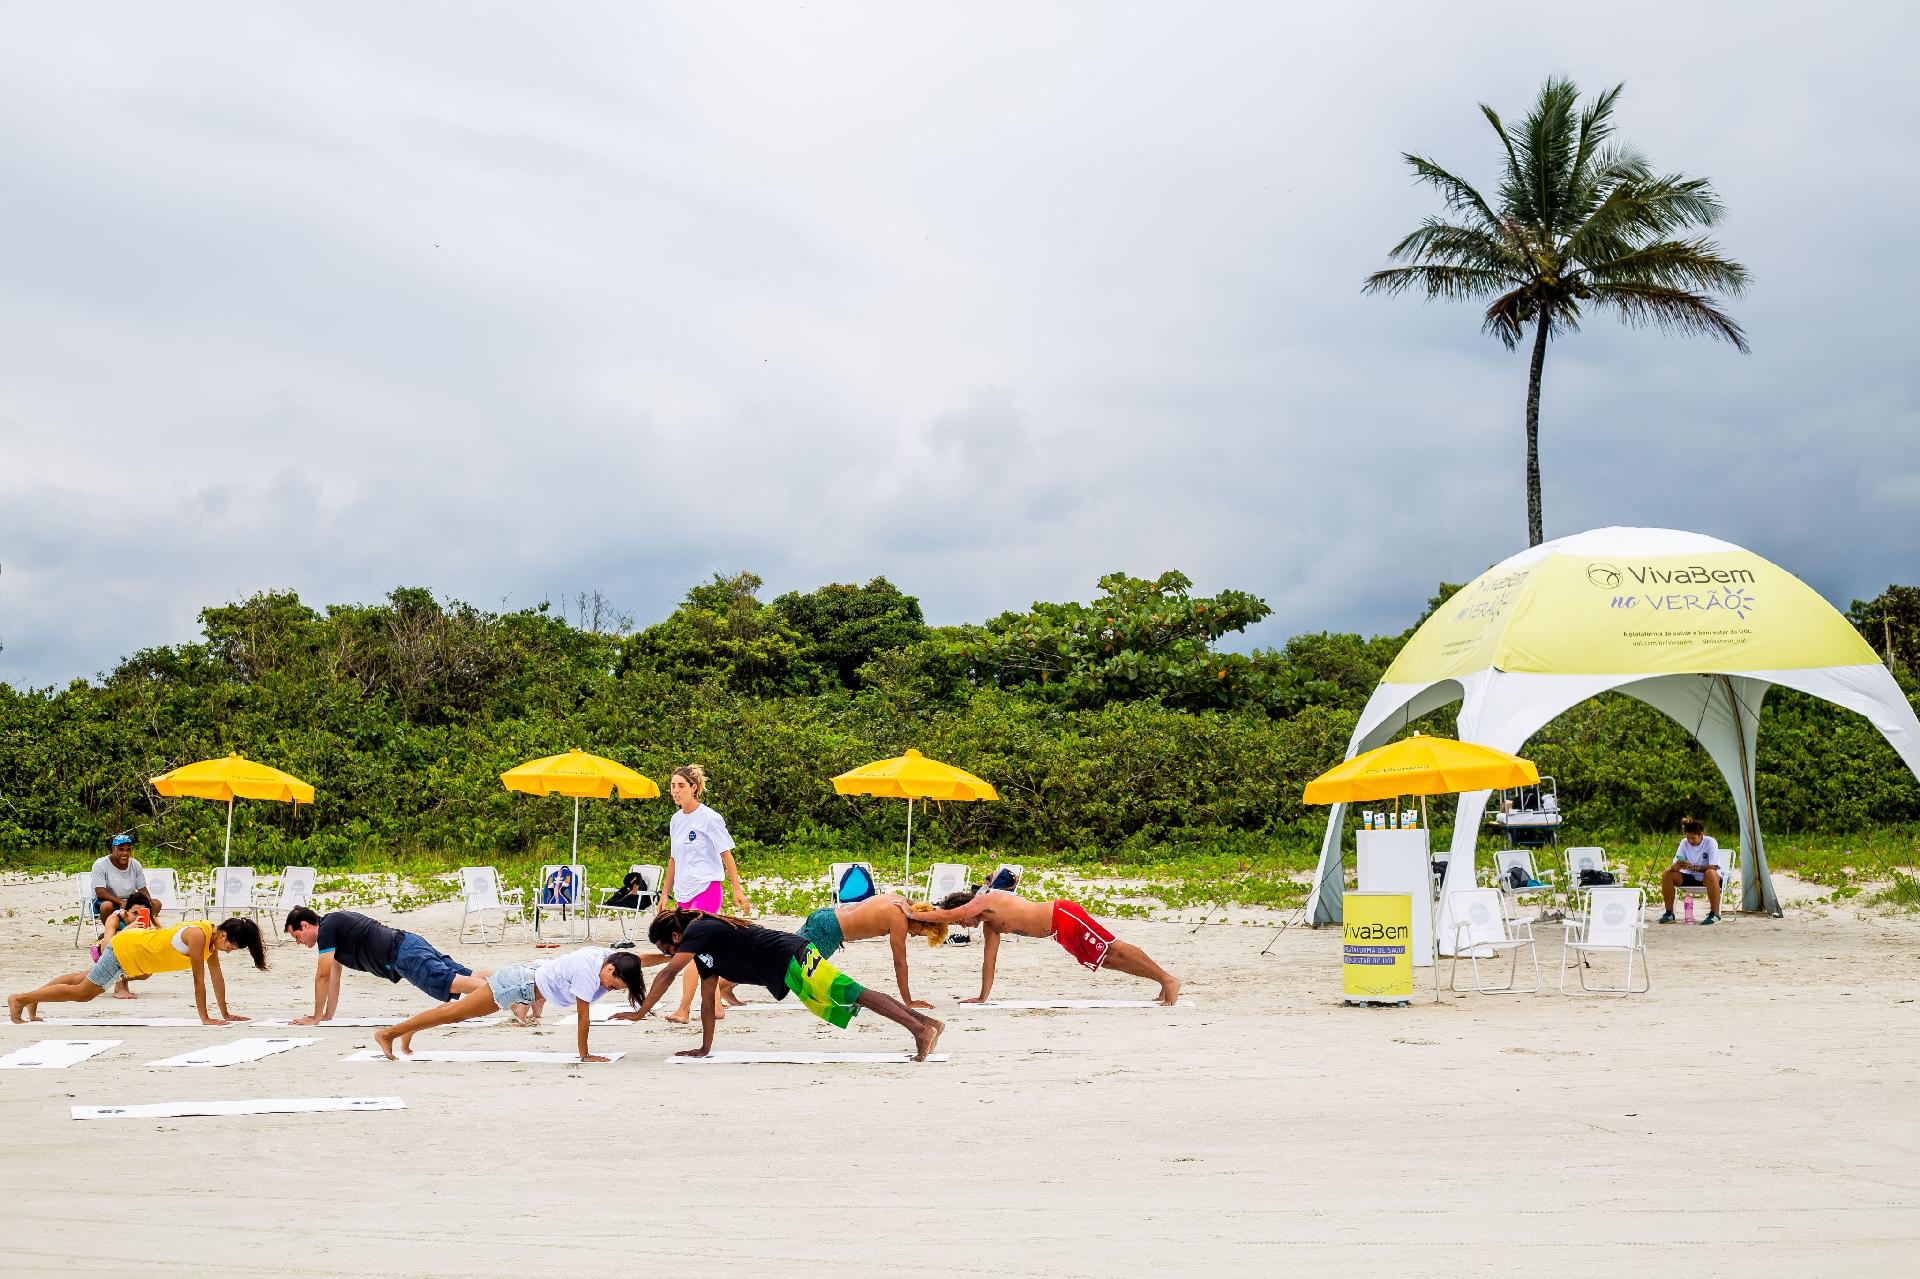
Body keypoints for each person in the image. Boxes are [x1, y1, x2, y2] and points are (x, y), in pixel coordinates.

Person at [614, 909, 943, 1061]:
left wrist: (640, 1012)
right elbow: (707, 998)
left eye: (665, 949)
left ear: (675, 937)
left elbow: (668, 973)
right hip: (787, 963)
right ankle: (927, 1024)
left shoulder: (699, 930)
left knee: (851, 993)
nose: (668, 955)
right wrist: (705, 1047)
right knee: (851, 993)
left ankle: (919, 1030)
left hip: (791, 955)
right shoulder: (704, 952)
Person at [371, 946, 655, 1062]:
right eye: (612, 983)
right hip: (515, 985)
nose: (608, 987)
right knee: (453, 1013)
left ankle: (410, 1030)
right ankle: (388, 1034)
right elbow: (583, 1018)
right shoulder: (586, 972)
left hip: (523, 982)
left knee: (452, 1013)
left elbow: (641, 957)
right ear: (611, 969)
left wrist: (677, 956)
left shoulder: (608, 957)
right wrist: (585, 1055)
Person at [910, 888, 1181, 1005]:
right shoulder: (991, 926)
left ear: (963, 909)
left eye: (961, 921)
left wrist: (914, 914)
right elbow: (989, 963)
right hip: (1058, 932)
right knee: (1105, 960)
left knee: (1113, 948)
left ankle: (1168, 979)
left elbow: (946, 915)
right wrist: (982, 997)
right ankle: (1161, 981)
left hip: (1063, 914)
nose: (964, 926)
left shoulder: (985, 900)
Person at [8, 918, 266, 1025]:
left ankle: (33, 999)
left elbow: (216, 978)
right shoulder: (199, 936)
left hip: (135, 958)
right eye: (230, 945)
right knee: (84, 993)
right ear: (222, 934)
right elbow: (199, 981)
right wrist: (205, 1019)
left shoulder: (211, 941)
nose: (229, 950)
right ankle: (21, 999)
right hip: (127, 950)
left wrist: (226, 1013)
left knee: (81, 980)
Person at [282, 906, 493, 1024]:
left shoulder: (327, 929)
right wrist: (327, 1015)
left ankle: (509, 994)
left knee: (452, 982)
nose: (298, 942)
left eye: (296, 936)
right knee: (466, 974)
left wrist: (315, 1018)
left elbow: (323, 976)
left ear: (305, 925)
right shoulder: (333, 929)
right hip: (407, 943)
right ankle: (518, 980)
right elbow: (334, 978)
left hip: (402, 953)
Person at [658, 764, 752, 1023]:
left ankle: (684, 1009)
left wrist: (737, 890)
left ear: (694, 788)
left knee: (689, 949)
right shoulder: (676, 820)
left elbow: (727, 855)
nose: (675, 791)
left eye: (681, 786)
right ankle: (716, 1004)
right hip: (683, 893)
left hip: (707, 889)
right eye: (673, 786)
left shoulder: (710, 818)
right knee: (700, 950)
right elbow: (674, 859)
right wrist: (665, 895)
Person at [794, 893, 945, 1008]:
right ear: (919, 921)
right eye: (918, 932)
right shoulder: (899, 920)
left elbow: (932, 912)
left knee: (784, 950)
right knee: (793, 964)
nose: (913, 934)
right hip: (831, 929)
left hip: (825, 915)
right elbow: (900, 963)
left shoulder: (901, 900)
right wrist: (908, 1001)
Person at [1660, 816, 1723, 924]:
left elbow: (1714, 866)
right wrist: (1676, 866)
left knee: (1711, 873)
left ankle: (1715, 914)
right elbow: (1675, 863)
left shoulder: (1710, 842)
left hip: (1708, 879)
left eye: (1693, 838)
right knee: (1667, 873)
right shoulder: (1684, 843)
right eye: (1688, 838)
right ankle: (1669, 913)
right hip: (1690, 877)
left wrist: (1693, 867)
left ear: (1701, 835)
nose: (1690, 841)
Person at [89, 833, 161, 925]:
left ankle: (144, 926)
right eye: (121, 849)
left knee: (156, 904)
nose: (125, 853)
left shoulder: (135, 864)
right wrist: (121, 902)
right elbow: (100, 892)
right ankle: (110, 930)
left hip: (128, 900)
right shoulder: (100, 864)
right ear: (113, 849)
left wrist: (148, 903)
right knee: (107, 906)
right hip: (105, 901)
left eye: (128, 850)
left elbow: (142, 889)